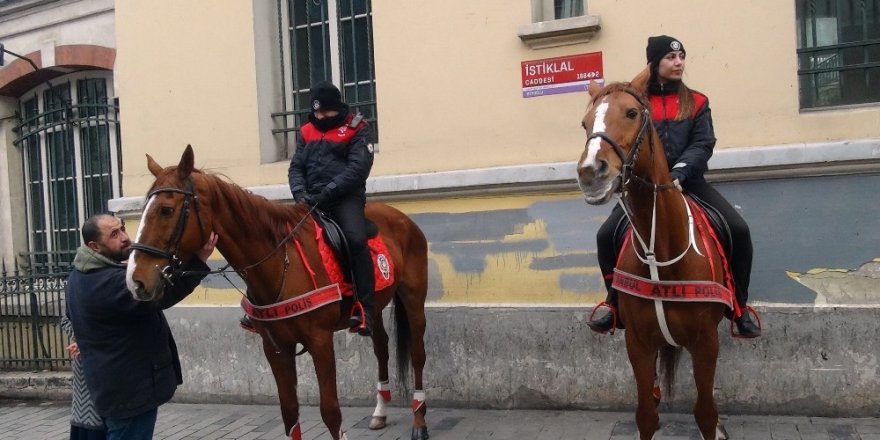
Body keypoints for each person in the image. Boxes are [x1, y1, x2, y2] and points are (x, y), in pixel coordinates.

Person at [588, 35, 761, 338]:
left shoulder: (697, 101)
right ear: (654, 63)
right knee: (605, 236)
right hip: (642, 190)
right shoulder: (636, 104)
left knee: (739, 230)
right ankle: (614, 304)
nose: (679, 63)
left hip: (689, 183)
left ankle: (739, 307)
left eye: (681, 57)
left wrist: (681, 171)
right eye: (670, 58)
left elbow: (704, 142)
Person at [65, 214, 217, 440]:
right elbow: (161, 294)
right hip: (129, 394)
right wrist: (200, 260)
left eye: (123, 229)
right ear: (94, 247)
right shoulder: (108, 282)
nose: (125, 238)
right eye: (114, 234)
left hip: (114, 391)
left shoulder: (78, 276)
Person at [60, 315, 106, 440]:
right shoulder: (75, 296)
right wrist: (83, 340)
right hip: (84, 361)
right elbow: (65, 319)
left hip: (108, 360)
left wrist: (88, 342)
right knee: (87, 419)